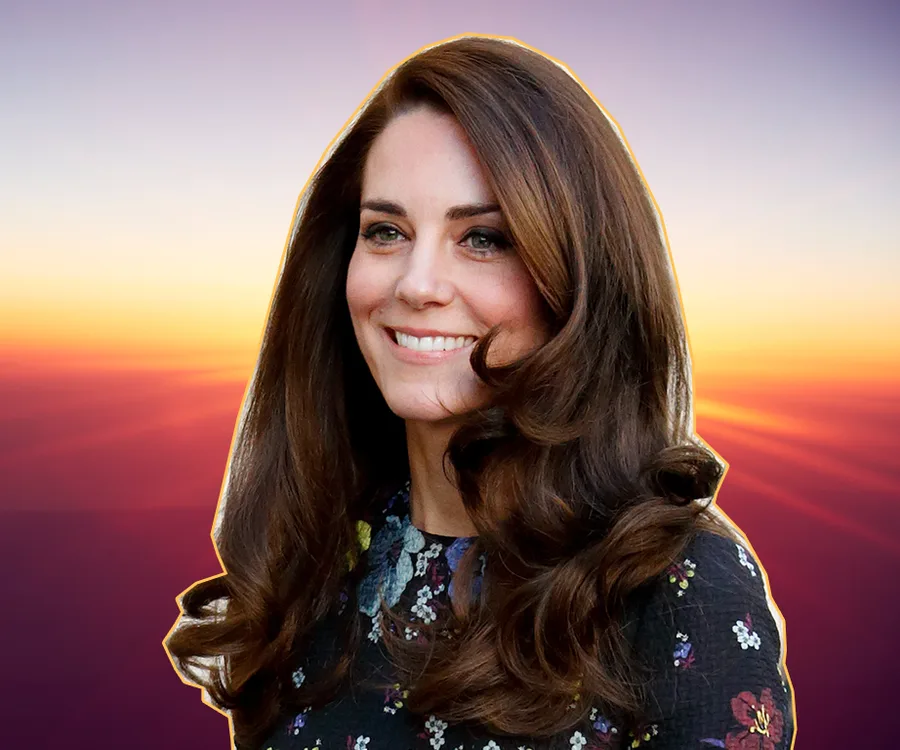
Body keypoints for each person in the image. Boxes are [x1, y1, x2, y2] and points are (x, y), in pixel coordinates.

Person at [165, 34, 795, 750]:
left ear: (577, 280)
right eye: (385, 231)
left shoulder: (675, 586)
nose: (417, 283)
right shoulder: (317, 567)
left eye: (484, 239)